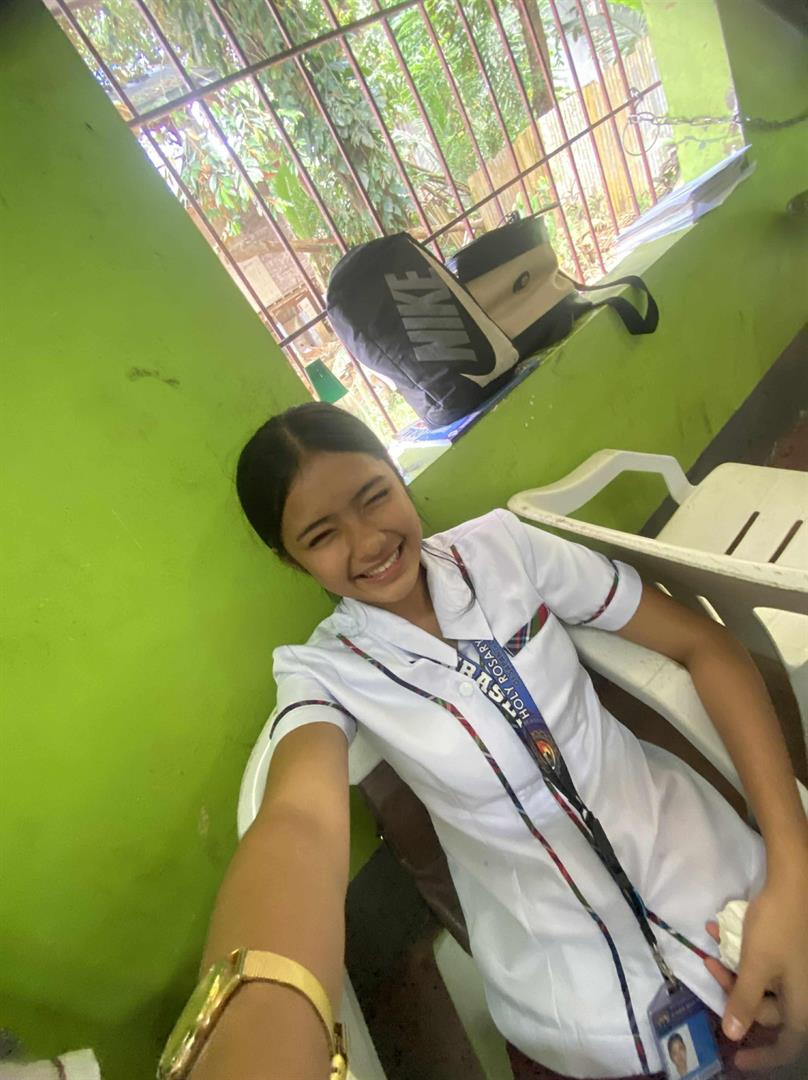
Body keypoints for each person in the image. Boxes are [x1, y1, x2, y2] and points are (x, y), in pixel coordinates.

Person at [186, 403, 808, 1080]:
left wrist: (793, 864)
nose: (367, 543)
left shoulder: (505, 550)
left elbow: (703, 645)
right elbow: (297, 822)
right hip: (580, 1010)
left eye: (375, 497)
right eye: (322, 535)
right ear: (291, 559)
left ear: (397, 473)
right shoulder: (322, 673)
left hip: (725, 887)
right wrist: (255, 1022)